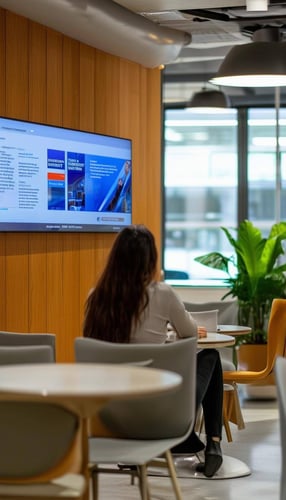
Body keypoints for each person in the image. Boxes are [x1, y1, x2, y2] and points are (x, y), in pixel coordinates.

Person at [83, 224, 223, 477]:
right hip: (160, 414)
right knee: (211, 356)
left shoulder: (96, 298)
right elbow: (190, 333)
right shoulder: (161, 294)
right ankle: (213, 443)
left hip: (109, 415)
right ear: (150, 260)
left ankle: (191, 440)